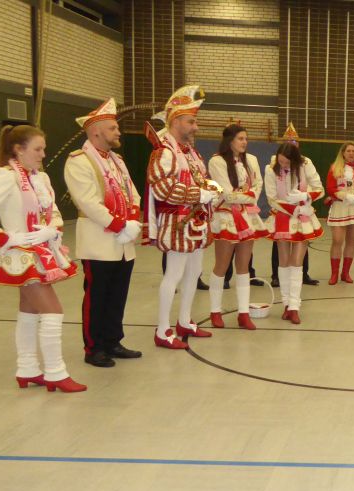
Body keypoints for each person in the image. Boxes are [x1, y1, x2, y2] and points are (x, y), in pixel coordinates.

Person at [0, 124, 85, 392]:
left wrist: (51, 229)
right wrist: (6, 238)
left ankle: (27, 368)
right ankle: (55, 372)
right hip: (21, 255)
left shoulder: (40, 178)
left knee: (29, 311)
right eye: (37, 149)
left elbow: (53, 211)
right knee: (52, 311)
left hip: (41, 252)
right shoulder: (4, 177)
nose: (43, 154)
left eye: (43, 149)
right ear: (18, 150)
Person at [65, 97, 144, 369]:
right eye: (113, 128)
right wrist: (120, 225)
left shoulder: (117, 160)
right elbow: (88, 202)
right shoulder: (79, 162)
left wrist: (132, 219)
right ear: (96, 131)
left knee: (117, 294)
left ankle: (112, 341)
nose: (118, 132)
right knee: (97, 297)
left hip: (123, 242)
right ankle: (94, 347)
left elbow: (132, 192)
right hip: (99, 241)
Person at [147, 85, 220, 350]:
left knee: (194, 272)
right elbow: (161, 188)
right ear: (176, 121)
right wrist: (199, 194)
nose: (195, 127)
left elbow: (201, 180)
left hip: (196, 221)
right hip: (176, 223)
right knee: (174, 275)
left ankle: (184, 321)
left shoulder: (191, 152)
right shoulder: (164, 152)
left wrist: (213, 191)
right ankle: (162, 329)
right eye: (191, 121)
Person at [206, 124, 267, 330]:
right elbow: (227, 194)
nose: (244, 142)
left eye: (246, 138)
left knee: (244, 266)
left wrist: (247, 196)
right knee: (222, 265)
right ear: (229, 140)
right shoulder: (217, 161)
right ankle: (215, 311)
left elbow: (258, 185)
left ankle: (243, 313)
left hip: (247, 216)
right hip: (226, 216)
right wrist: (247, 196)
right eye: (241, 138)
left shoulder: (252, 160)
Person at [265, 123, 324, 324]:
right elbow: (271, 198)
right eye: (281, 161)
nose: (283, 165)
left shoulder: (306, 164)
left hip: (303, 216)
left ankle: (294, 306)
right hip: (282, 216)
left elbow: (319, 188)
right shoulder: (270, 168)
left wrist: (305, 197)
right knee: (283, 261)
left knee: (296, 262)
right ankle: (285, 304)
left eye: (287, 162)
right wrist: (291, 208)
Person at [325, 142, 354, 284]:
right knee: (337, 240)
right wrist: (344, 196)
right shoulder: (334, 168)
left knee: (351, 241)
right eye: (348, 151)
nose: (351, 153)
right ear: (343, 153)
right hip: (340, 206)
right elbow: (330, 188)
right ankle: (334, 274)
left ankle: (345, 273)